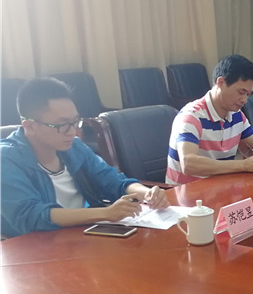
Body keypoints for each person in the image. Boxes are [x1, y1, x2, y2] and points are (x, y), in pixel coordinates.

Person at [0, 77, 169, 238]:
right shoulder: (6, 159)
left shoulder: (74, 147)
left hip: (83, 234)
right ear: (30, 126)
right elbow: (31, 216)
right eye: (62, 125)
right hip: (35, 247)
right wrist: (105, 213)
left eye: (75, 122)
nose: (72, 131)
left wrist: (146, 193)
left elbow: (112, 180)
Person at [166, 54, 253, 185]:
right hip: (188, 193)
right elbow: (188, 163)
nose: (244, 100)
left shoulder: (236, 115)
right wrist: (243, 165)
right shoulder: (191, 116)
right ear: (221, 83)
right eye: (241, 92)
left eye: (248, 94)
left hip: (220, 188)